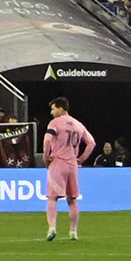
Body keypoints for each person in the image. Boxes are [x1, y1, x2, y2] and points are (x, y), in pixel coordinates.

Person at [42, 96, 96, 242]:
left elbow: (47, 140)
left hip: (58, 161)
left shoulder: (55, 123)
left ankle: (52, 228)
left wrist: (46, 157)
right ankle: (73, 232)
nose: (52, 112)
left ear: (60, 108)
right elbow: (91, 143)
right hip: (72, 164)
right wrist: (81, 159)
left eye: (53, 109)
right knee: (72, 200)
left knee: (52, 198)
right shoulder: (78, 124)